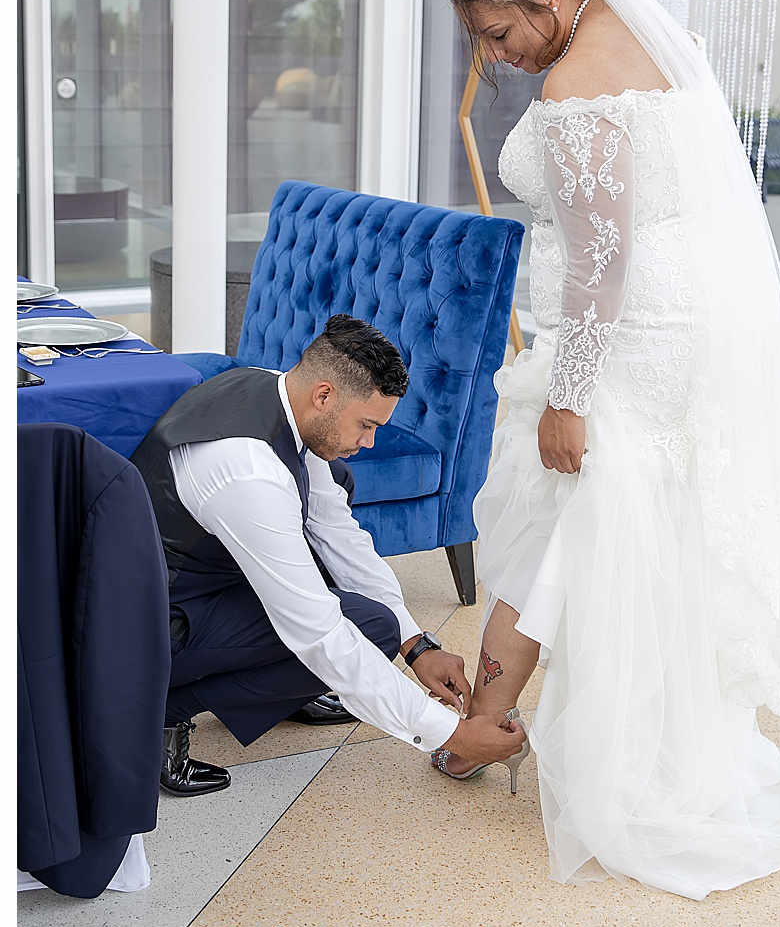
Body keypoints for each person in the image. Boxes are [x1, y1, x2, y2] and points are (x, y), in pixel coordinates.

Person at [438, 0, 780, 899]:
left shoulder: (578, 89)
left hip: (625, 340)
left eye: (502, 32)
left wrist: (570, 395)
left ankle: (485, 729)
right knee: (611, 534)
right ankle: (508, 728)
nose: (495, 57)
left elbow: (604, 260)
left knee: (550, 516)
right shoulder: (648, 35)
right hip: (673, 326)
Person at [131, 315, 526, 795]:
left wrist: (416, 645)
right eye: (366, 424)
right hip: (153, 627)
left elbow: (338, 533)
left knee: (379, 623)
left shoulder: (277, 396)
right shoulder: (247, 469)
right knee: (340, 632)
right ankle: (163, 713)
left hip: (207, 582)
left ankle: (285, 693)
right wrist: (454, 734)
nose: (369, 442)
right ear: (324, 395)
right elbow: (316, 630)